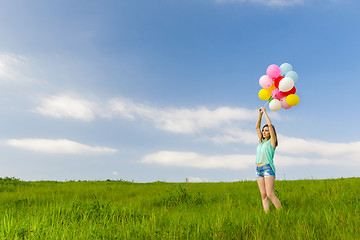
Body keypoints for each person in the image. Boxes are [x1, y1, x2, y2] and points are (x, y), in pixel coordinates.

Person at [255, 106, 282, 212]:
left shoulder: (272, 142)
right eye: (263, 130)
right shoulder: (261, 141)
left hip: (268, 168)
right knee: (263, 195)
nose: (264, 132)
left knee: (270, 194)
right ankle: (267, 216)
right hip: (258, 169)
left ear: (271, 133)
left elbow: (270, 125)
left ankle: (281, 213)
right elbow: (257, 127)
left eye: (266, 131)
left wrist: (265, 113)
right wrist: (260, 115)